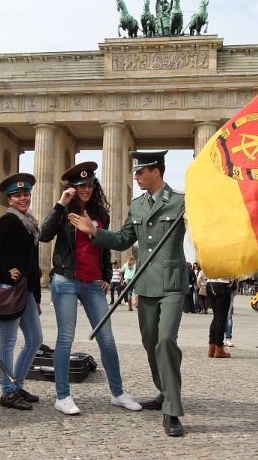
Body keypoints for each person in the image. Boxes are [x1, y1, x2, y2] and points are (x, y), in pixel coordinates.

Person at [69, 150, 187, 437]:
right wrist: (93, 231)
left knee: (166, 341)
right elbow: (122, 240)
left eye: (140, 172)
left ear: (156, 171)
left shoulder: (183, 201)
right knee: (150, 343)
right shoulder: (137, 207)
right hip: (146, 285)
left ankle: (172, 409)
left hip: (171, 283)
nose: (135, 177)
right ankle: (164, 391)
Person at [39, 161, 141, 416]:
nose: (86, 189)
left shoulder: (100, 214)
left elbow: (104, 247)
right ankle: (62, 396)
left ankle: (117, 392)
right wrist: (61, 203)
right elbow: (43, 235)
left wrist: (107, 275)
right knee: (65, 338)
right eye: (80, 185)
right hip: (66, 279)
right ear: (72, 188)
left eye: (90, 184)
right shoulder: (64, 212)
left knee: (107, 338)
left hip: (93, 282)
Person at [0, 173, 43, 410]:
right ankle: (7, 392)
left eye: (26, 194)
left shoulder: (30, 223)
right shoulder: (9, 221)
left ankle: (16, 384)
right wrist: (2, 273)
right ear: (9, 200)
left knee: (35, 340)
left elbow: (32, 263)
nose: (23, 198)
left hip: (26, 290)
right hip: (10, 289)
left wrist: (36, 297)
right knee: (7, 341)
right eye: (17, 195)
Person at [206, 278, 234, 358]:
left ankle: (211, 348)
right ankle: (218, 348)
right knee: (221, 317)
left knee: (216, 316)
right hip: (222, 283)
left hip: (210, 283)